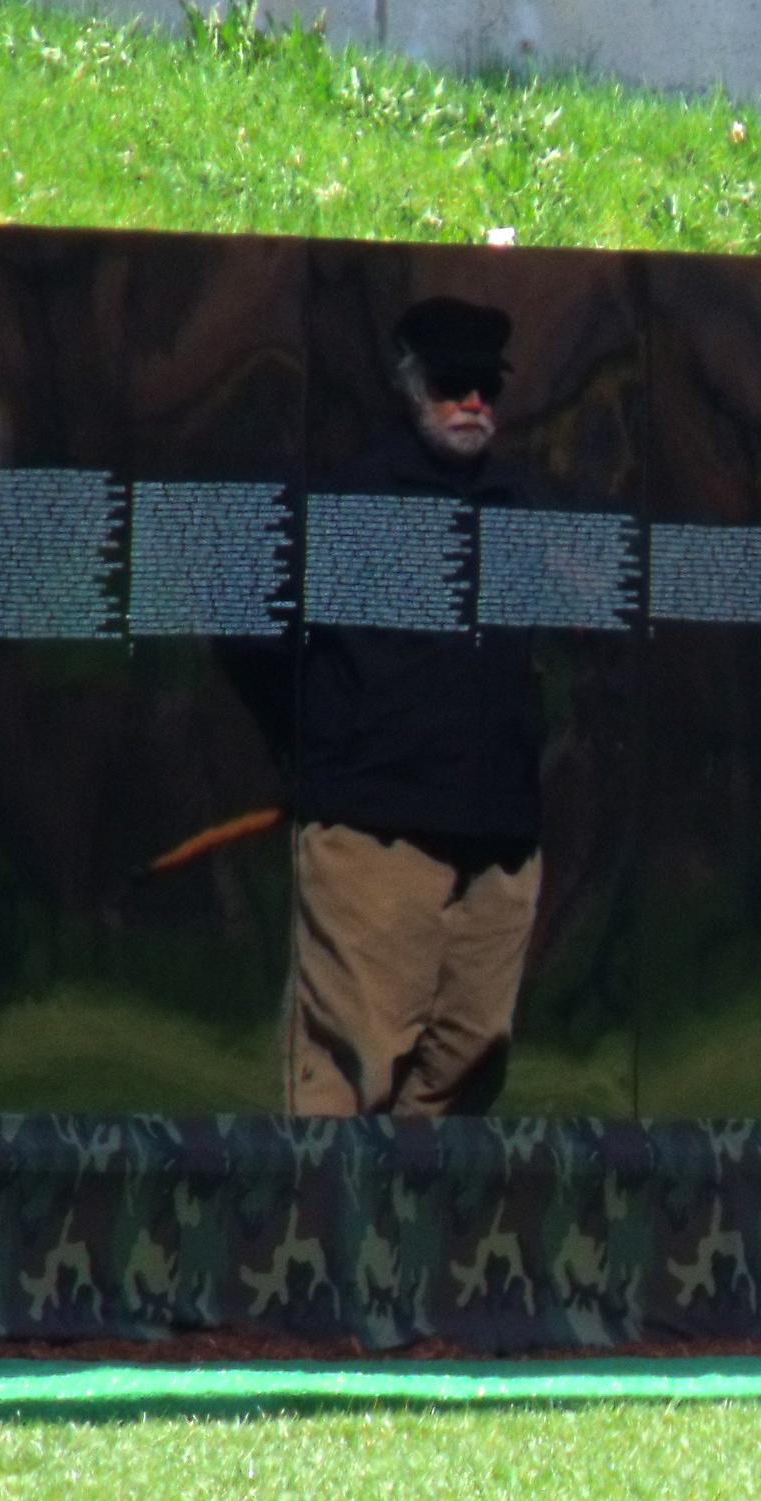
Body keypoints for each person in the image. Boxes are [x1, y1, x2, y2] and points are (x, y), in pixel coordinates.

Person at [287, 295, 544, 1117]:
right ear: (409, 385)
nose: (471, 404)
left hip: (498, 831)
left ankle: (420, 1204)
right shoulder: (353, 497)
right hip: (377, 829)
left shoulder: (520, 502)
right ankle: (325, 1204)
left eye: (485, 388)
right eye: (450, 385)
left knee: (470, 1056)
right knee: (351, 1065)